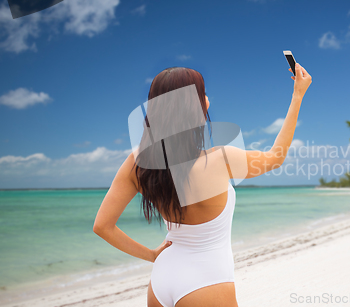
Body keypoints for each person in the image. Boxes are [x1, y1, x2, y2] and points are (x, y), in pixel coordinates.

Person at [93, 62, 312, 307]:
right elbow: (276, 157)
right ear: (195, 107)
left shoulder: (138, 162)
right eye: (202, 93)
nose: (207, 97)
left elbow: (102, 226)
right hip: (206, 282)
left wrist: (153, 255)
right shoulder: (222, 160)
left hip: (162, 278)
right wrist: (297, 95)